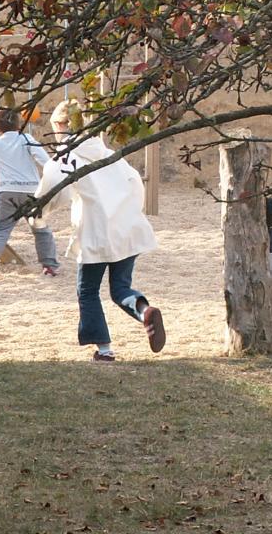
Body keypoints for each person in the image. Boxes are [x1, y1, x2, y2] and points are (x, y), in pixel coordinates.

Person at [37, 99, 164, 362]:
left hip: (96, 232)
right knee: (120, 288)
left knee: (88, 290)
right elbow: (135, 184)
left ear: (60, 125)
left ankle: (104, 349)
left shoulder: (66, 157)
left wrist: (37, 218)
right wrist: (131, 213)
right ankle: (144, 311)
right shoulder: (107, 153)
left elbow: (51, 190)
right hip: (127, 228)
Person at [0, 108, 59, 280]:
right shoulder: (26, 139)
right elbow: (44, 160)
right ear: (18, 124)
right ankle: (49, 266)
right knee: (40, 229)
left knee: (1, 229)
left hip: (8, 192)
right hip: (31, 192)